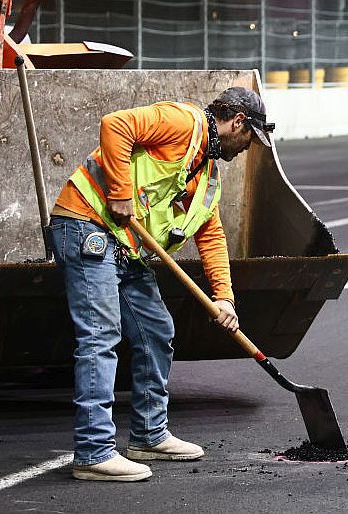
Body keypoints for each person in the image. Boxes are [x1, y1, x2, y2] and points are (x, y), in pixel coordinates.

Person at [48, 86, 274, 481]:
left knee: (156, 329)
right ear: (238, 123)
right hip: (87, 225)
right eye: (249, 139)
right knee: (101, 335)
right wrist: (119, 192)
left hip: (126, 247)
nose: (246, 149)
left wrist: (225, 299)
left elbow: (211, 235)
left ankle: (149, 435)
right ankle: (93, 452)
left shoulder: (205, 174)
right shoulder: (182, 122)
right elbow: (115, 125)